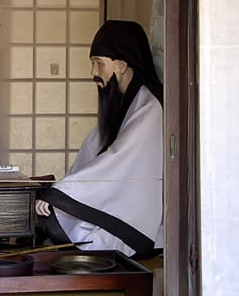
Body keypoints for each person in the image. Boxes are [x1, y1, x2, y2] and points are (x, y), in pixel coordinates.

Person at [34, 20, 164, 258]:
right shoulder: (128, 102)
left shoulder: (150, 106)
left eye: (98, 63)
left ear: (122, 65)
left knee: (78, 233)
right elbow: (94, 150)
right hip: (121, 200)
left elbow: (118, 159)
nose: (93, 72)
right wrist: (60, 192)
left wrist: (60, 194)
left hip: (141, 212)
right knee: (55, 219)